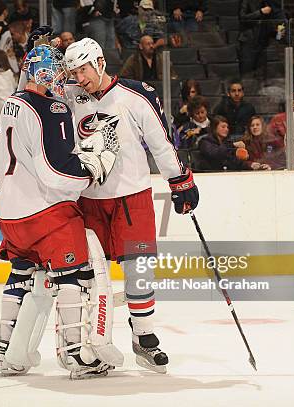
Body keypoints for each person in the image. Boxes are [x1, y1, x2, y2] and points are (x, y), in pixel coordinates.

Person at [64, 37, 200, 373]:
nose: (80, 78)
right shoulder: (68, 97)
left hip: (132, 197)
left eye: (83, 69)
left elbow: (160, 142)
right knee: (88, 279)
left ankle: (144, 338)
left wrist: (179, 180)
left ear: (99, 63)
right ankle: (88, 347)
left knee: (139, 271)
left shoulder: (136, 94)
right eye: (74, 72)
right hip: (88, 200)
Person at [0, 44, 120, 379]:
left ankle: (5, 347)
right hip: (47, 214)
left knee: (21, 272)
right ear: (45, 73)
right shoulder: (54, 109)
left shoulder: (12, 104)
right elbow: (56, 172)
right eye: (59, 72)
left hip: (11, 214)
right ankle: (75, 355)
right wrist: (91, 169)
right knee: (73, 276)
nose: (64, 78)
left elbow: (1, 161)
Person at [238, 0, 285, 80]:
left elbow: (270, 26)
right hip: (249, 42)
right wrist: (260, 12)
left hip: (263, 44)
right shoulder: (247, 1)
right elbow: (242, 18)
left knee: (261, 75)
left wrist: (278, 33)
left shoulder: (269, 4)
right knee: (247, 73)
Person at [198, 115, 263, 171]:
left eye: (227, 127)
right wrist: (232, 145)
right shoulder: (205, 142)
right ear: (215, 128)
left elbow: (233, 161)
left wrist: (250, 165)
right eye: (223, 127)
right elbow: (216, 153)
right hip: (209, 176)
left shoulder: (227, 143)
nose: (226, 129)